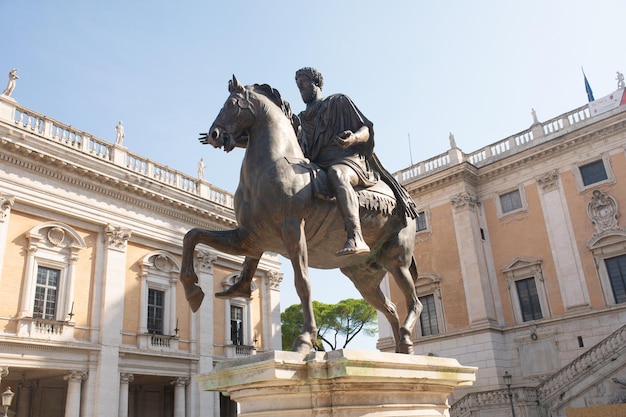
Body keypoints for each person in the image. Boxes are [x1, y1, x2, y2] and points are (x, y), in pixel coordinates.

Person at [294, 67, 417, 256]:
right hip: (318, 165)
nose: (300, 89)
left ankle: (355, 236)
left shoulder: (338, 101)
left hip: (347, 160)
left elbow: (365, 129)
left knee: (337, 174)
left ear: (316, 83)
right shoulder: (301, 119)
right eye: (298, 86)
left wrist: (353, 139)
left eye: (303, 84)